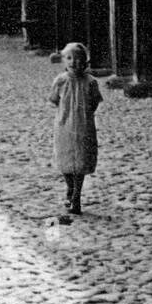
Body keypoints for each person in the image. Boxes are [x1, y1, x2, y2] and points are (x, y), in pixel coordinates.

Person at [49, 41, 102, 216]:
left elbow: (94, 102)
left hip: (84, 126)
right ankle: (70, 188)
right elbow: (54, 100)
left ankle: (76, 197)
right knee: (65, 159)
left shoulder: (91, 82)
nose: (74, 62)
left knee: (80, 161)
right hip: (64, 126)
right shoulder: (60, 81)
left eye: (79, 59)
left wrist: (84, 115)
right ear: (64, 61)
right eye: (70, 58)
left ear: (86, 62)